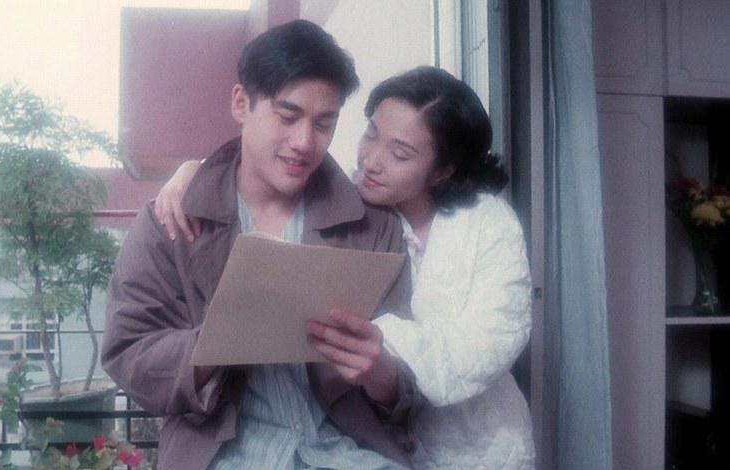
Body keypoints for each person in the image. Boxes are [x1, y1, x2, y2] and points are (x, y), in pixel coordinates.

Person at [156, 66, 536, 469]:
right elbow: (264, 173)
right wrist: (191, 173)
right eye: (371, 133)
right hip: (380, 443)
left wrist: (380, 346)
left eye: (400, 154)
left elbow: (490, 344)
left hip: (478, 441)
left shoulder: (487, 223)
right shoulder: (354, 209)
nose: (372, 160)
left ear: (444, 170)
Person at [101, 20, 416, 470]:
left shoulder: (374, 227)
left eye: (324, 123)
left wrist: (380, 373)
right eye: (287, 116)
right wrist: (214, 342)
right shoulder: (168, 220)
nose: (304, 143)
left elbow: (411, 381)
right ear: (241, 103)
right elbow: (128, 353)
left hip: (349, 453)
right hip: (223, 456)